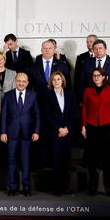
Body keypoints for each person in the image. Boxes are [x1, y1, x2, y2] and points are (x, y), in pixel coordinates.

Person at [29, 40, 71, 169]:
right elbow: (30, 87)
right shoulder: (33, 67)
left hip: (57, 107)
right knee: (40, 134)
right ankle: (41, 162)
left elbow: (67, 86)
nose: (47, 50)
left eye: (50, 48)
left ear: (54, 50)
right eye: (45, 48)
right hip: (38, 105)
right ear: (41, 50)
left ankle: (54, 163)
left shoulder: (62, 66)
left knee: (54, 134)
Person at [1, 72, 40, 197]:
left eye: (24, 81)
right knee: (11, 161)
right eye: (19, 81)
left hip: (27, 134)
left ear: (27, 83)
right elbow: (4, 115)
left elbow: (37, 115)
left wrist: (36, 131)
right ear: (15, 81)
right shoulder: (8, 95)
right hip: (11, 133)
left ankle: (26, 188)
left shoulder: (33, 95)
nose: (21, 83)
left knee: (25, 162)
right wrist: (3, 132)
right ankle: (12, 187)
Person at [81, 68, 110, 197]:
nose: (96, 77)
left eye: (98, 75)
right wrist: (83, 126)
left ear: (104, 77)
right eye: (94, 75)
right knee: (92, 159)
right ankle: (92, 186)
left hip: (106, 127)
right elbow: (84, 108)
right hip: (91, 126)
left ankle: (107, 186)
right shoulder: (87, 90)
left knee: (106, 159)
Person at [44, 71, 76, 197]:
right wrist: (59, 129)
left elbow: (74, 113)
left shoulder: (69, 94)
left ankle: (65, 187)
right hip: (55, 133)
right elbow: (48, 115)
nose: (56, 81)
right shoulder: (48, 95)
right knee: (56, 161)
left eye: (58, 79)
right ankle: (57, 189)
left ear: (62, 80)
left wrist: (67, 128)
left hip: (67, 132)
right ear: (51, 82)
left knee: (66, 161)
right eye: (54, 80)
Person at [79, 39, 110, 104]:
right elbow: (82, 83)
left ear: (105, 49)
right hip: (90, 100)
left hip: (107, 100)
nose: (98, 51)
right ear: (93, 50)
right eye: (95, 49)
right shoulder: (86, 63)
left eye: (100, 48)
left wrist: (107, 78)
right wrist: (81, 100)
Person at [74, 34, 97, 100]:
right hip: (84, 91)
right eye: (87, 42)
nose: (89, 44)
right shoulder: (81, 57)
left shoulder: (101, 56)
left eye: (91, 41)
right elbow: (76, 77)